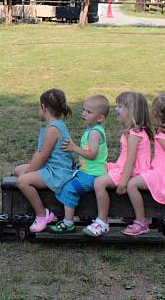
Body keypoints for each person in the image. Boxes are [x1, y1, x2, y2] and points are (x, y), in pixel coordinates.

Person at [84, 91, 153, 237]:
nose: (115, 109)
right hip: (124, 167)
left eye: (120, 106)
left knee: (99, 182)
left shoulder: (135, 135)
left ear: (132, 111)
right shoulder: (132, 132)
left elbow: (131, 161)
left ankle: (102, 221)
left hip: (131, 171)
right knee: (100, 170)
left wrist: (123, 182)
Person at [14, 89, 77, 233]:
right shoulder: (56, 125)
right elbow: (40, 154)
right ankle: (39, 200)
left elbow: (42, 156)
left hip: (58, 172)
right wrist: (30, 169)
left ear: (43, 107)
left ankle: (42, 214)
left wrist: (29, 172)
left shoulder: (52, 130)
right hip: (51, 167)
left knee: (22, 181)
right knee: (18, 170)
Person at [124, 93, 165, 236]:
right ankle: (133, 211)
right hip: (164, 170)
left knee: (132, 184)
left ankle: (141, 222)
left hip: (164, 174)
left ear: (155, 113)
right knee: (137, 175)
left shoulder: (163, 136)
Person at [50, 95, 111, 233]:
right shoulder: (93, 130)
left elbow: (92, 154)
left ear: (100, 118)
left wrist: (74, 148)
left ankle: (68, 222)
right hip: (89, 172)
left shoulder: (94, 133)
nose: (84, 113)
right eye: (84, 110)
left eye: (89, 112)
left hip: (92, 175)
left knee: (69, 188)